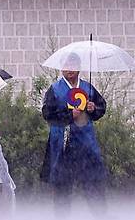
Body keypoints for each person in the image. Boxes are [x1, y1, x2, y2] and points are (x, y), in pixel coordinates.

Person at [41, 56, 107, 211]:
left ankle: (100, 214)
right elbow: (48, 114)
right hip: (63, 143)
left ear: (79, 67)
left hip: (86, 141)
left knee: (93, 179)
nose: (69, 69)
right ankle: (61, 218)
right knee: (62, 182)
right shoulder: (55, 89)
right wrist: (69, 115)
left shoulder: (87, 88)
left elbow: (102, 107)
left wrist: (93, 108)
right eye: (65, 65)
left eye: (72, 65)